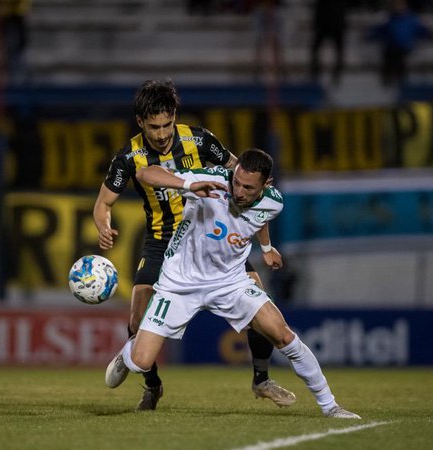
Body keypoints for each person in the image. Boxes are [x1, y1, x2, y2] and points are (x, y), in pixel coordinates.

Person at [105, 149, 360, 419]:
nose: (238, 191)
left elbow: (260, 217)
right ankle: (128, 354)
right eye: (236, 182)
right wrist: (188, 184)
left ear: (266, 185)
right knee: (142, 361)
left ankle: (330, 406)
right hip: (179, 283)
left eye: (248, 187)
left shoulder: (275, 202)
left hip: (230, 282)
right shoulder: (211, 179)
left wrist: (267, 247)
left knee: (282, 334)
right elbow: (146, 173)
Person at [93, 80, 295, 411]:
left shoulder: (199, 140)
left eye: (167, 124)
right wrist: (104, 226)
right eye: (154, 127)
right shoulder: (128, 156)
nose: (161, 134)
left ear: (175, 117)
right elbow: (103, 203)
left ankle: (261, 380)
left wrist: (265, 244)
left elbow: (248, 190)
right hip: (162, 241)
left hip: (211, 237)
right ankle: (152, 385)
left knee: (261, 303)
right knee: (136, 319)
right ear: (140, 122)